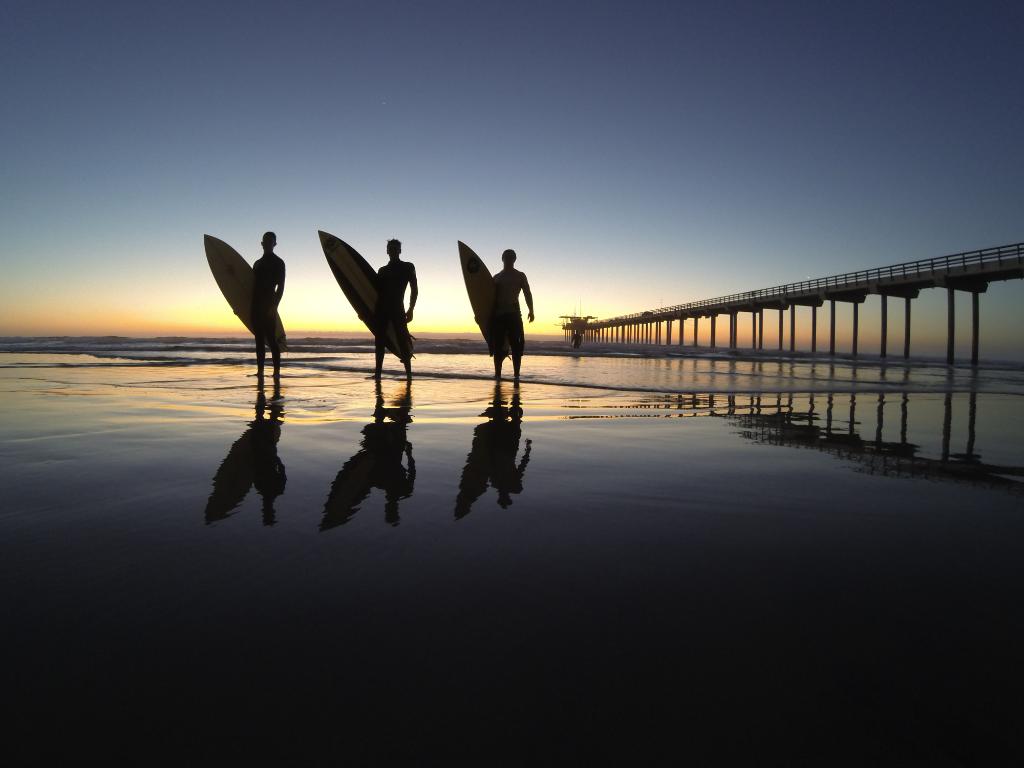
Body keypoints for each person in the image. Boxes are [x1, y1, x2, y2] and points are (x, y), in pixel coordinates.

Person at [374, 239, 417, 379]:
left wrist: (411, 309)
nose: (392, 250)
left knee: (402, 339)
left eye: (395, 248)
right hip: (381, 309)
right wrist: (365, 312)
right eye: (390, 248)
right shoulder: (382, 271)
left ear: (400, 250)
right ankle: (378, 374)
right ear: (387, 251)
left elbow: (414, 289)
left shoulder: (408, 267)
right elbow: (376, 293)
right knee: (379, 341)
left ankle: (409, 375)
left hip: (398, 308)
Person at [491, 249, 534, 380]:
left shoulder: (520, 275)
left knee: (516, 346)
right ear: (502, 258)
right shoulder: (496, 277)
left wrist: (531, 310)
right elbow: (488, 299)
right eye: (507, 257)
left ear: (514, 259)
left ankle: (516, 375)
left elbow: (527, 293)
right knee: (498, 348)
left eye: (511, 257)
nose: (509, 259)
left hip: (514, 315)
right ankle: (497, 375)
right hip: (499, 316)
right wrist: (480, 315)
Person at [251, 231, 285, 381]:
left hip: (269, 305)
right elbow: (250, 287)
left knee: (271, 340)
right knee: (258, 340)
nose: (267, 244)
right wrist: (239, 307)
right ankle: (260, 372)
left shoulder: (279, 263)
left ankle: (276, 372)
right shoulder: (257, 264)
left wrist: (274, 306)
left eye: (270, 241)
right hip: (255, 305)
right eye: (265, 241)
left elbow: (281, 287)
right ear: (261, 243)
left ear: (274, 244)